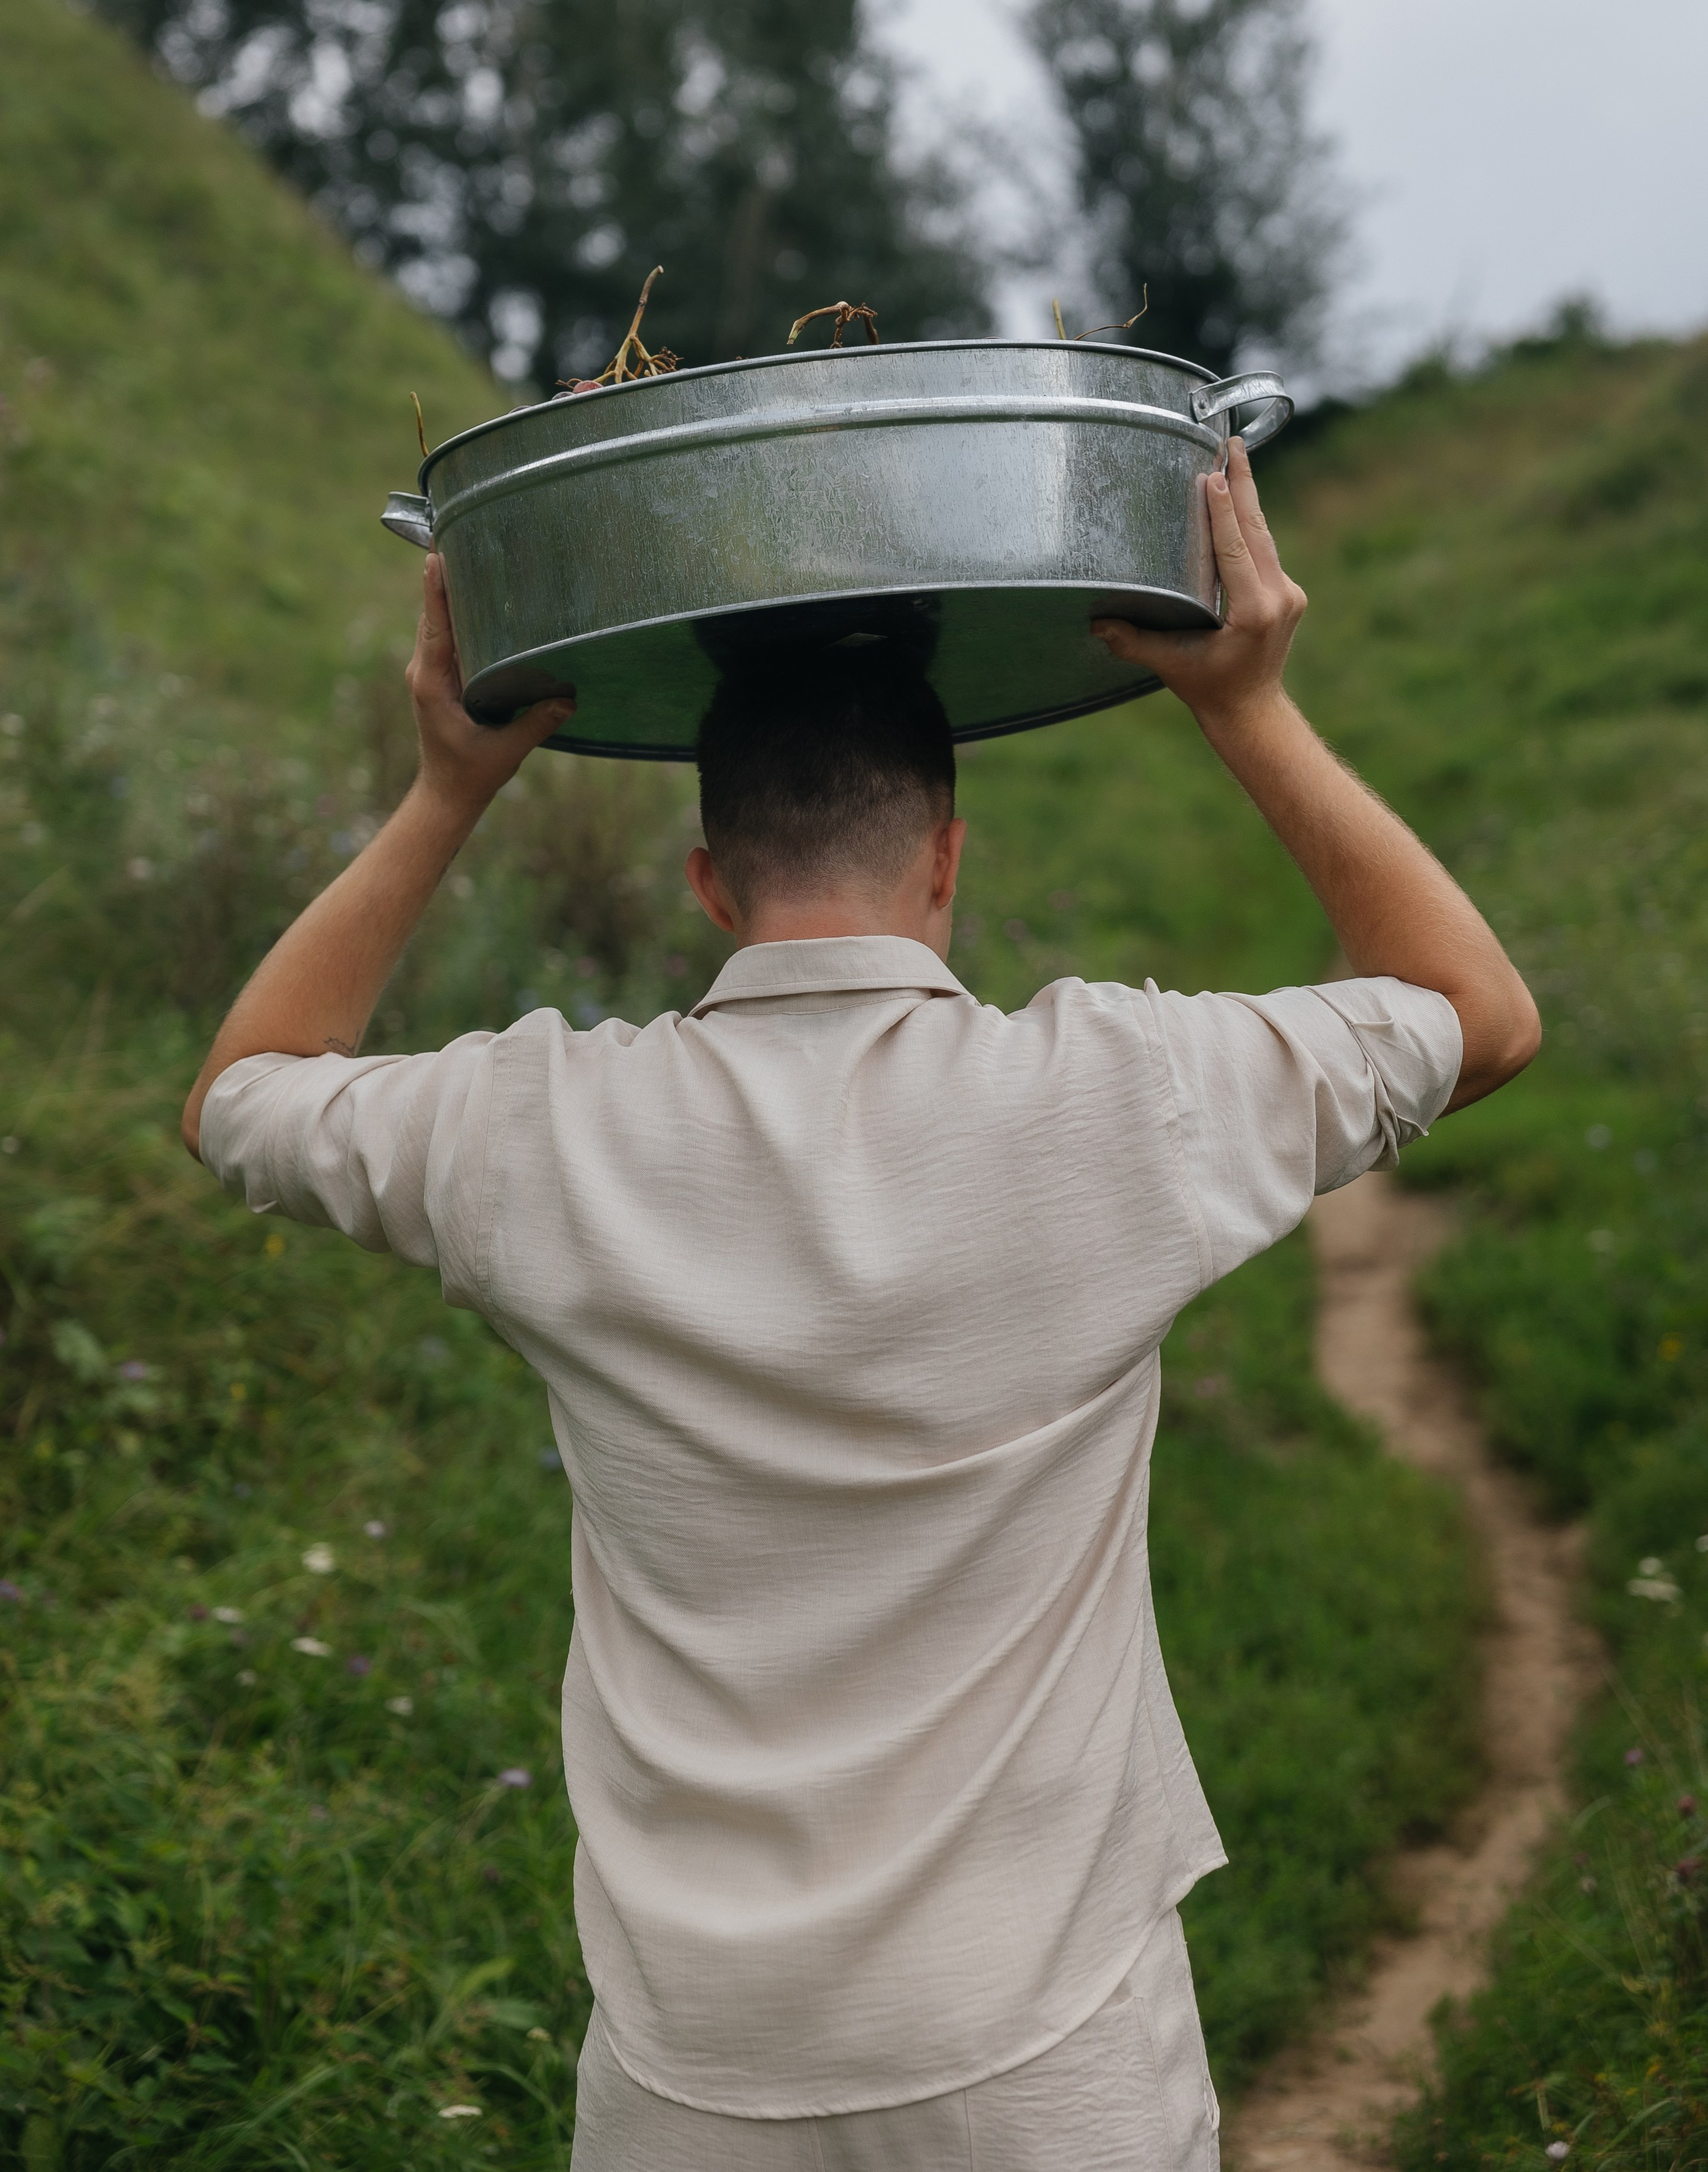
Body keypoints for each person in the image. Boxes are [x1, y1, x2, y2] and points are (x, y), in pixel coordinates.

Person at [183, 440, 1539, 2171]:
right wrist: (1246, 705)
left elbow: (244, 1092)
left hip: (695, 2077)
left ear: (708, 885)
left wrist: (449, 789)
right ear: (948, 862)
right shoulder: (1124, 1094)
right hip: (1049, 2060)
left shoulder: (539, 1131)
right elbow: (1475, 1011)